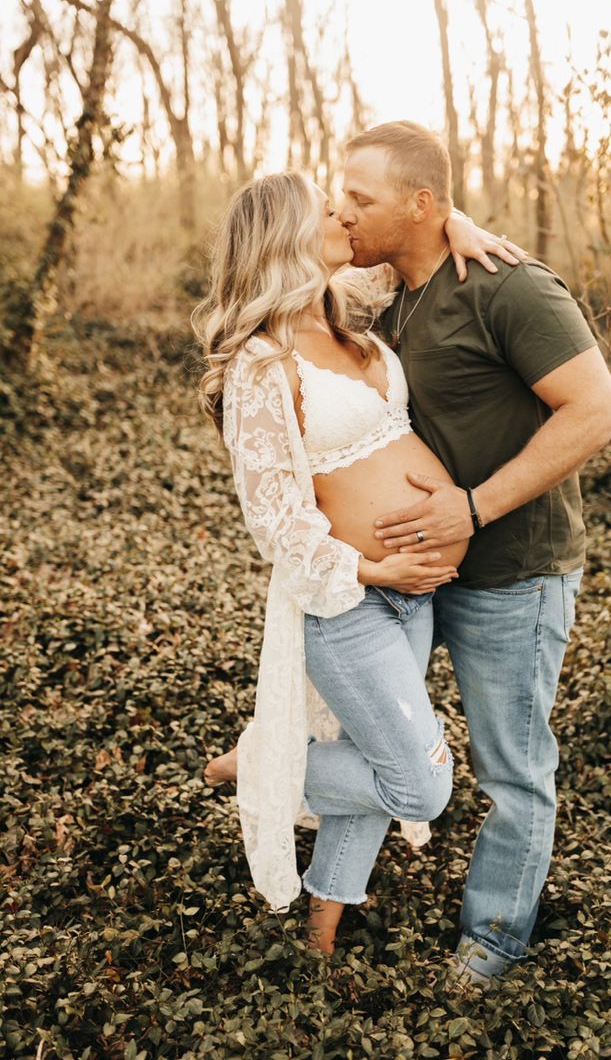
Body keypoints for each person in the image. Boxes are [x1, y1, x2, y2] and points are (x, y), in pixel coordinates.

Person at [192, 170, 525, 955]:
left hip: (415, 596)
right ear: (286, 240)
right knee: (420, 783)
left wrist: (461, 223)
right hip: (353, 603)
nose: (343, 216)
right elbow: (277, 519)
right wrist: (376, 573)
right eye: (326, 212)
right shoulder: (261, 364)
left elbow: (416, 238)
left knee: (377, 764)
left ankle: (321, 934)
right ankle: (264, 762)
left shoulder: (352, 305)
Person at [336, 120, 611, 987]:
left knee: (513, 769)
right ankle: (330, 885)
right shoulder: (382, 287)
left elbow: (597, 411)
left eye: (362, 198)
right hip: (415, 575)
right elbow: (286, 247)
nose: (343, 211)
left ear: (421, 204)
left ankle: (493, 944)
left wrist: (475, 508)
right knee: (384, 738)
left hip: (513, 577)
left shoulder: (507, 289)